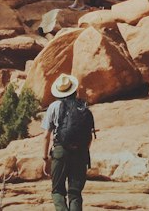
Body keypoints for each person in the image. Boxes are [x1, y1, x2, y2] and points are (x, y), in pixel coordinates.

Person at [42, 72, 95, 211]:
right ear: (74, 90)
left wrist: (45, 158)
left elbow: (46, 135)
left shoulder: (54, 106)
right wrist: (82, 151)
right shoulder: (83, 108)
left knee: (58, 191)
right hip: (81, 152)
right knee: (75, 193)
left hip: (60, 151)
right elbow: (89, 136)